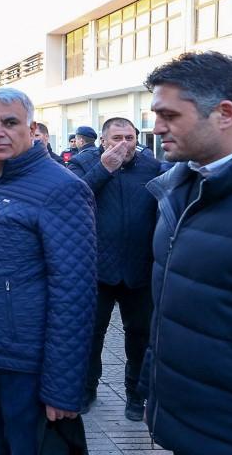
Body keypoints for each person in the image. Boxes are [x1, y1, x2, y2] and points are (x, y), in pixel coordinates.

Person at [0, 87, 97, 454]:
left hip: (25, 366)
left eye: (10, 122)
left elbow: (74, 294)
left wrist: (62, 388)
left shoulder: (62, 188)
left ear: (32, 130)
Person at [139, 51, 232, 455]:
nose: (156, 127)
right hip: (180, 422)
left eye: (170, 115)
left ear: (225, 113)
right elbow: (169, 311)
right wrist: (152, 388)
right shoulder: (174, 191)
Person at [67, 117, 161, 421]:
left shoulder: (152, 166)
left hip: (140, 268)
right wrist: (103, 169)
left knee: (140, 335)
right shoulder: (84, 164)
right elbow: (70, 197)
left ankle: (136, 395)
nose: (124, 144)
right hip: (96, 269)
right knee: (91, 333)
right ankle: (86, 389)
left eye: (130, 138)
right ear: (103, 141)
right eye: (117, 138)